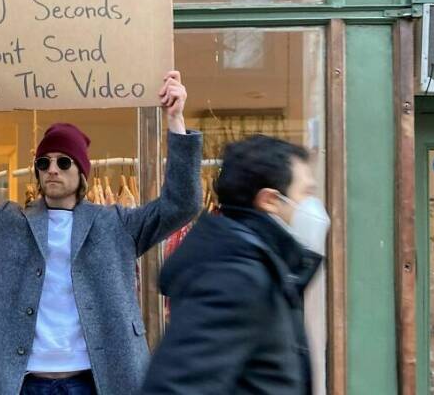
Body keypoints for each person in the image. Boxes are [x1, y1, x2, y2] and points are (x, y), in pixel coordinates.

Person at [0, 69, 202, 395]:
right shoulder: (4, 224)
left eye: (64, 163)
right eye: (43, 163)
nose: (52, 170)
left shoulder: (116, 224)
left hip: (95, 381)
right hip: (24, 382)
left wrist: (175, 120)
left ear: (82, 172)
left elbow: (182, 204)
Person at [140, 134, 330, 395]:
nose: (313, 205)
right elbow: (174, 387)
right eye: (306, 193)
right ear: (270, 200)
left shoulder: (262, 267)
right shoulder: (235, 277)